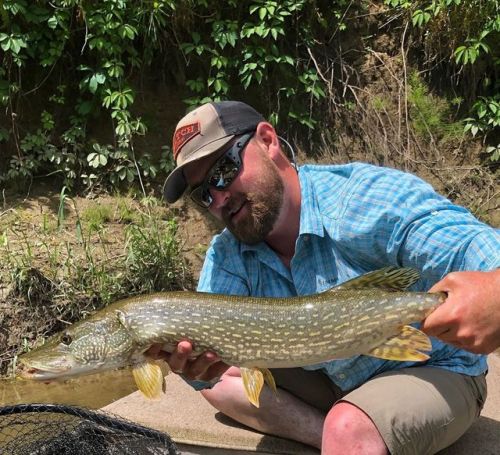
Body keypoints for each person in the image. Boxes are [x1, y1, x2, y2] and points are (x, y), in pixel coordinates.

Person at [153, 100, 500, 454]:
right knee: (216, 379)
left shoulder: (363, 200)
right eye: (204, 194)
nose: (220, 197)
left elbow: (471, 243)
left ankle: (350, 433)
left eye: (224, 170)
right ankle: (330, 437)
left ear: (268, 140)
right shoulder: (228, 253)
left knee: (348, 427)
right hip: (331, 373)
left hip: (431, 366)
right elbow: (205, 359)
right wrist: (194, 364)